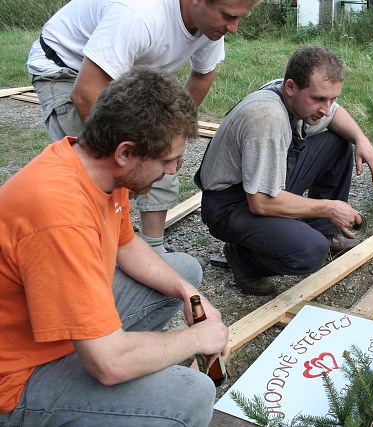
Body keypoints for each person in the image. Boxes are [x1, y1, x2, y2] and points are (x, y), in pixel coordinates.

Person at [0, 67, 228, 426]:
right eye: (169, 160)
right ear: (125, 152)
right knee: (190, 396)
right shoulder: (60, 216)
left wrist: (186, 292)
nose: (173, 171)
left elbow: (125, 245)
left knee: (183, 272)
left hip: (55, 333)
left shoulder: (100, 169)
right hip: (16, 380)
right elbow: (109, 364)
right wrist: (195, 339)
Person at [26, 0, 258, 253]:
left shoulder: (211, 25)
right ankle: (89, 246)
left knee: (161, 151)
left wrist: (172, 137)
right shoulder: (139, 13)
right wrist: (123, 159)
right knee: (94, 167)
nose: (233, 28)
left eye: (240, 18)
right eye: (227, 16)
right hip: (67, 67)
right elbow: (85, 93)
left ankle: (152, 246)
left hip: (127, 70)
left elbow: (203, 75)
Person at [196, 45, 373, 296]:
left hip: (260, 184)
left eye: (332, 98)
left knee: (338, 142)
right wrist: (328, 208)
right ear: (291, 87)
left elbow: (336, 116)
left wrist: (362, 140)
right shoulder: (267, 117)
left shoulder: (290, 95)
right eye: (318, 99)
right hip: (230, 204)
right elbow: (260, 203)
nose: (326, 109)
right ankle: (243, 260)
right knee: (310, 252)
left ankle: (324, 233)